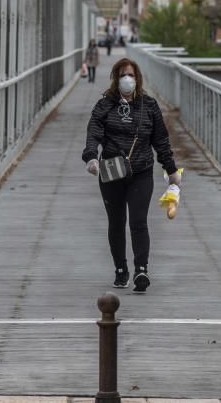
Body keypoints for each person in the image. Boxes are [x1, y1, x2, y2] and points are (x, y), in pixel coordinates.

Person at [82, 59, 181, 293]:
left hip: (141, 171)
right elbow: (93, 131)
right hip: (111, 172)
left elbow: (161, 140)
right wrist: (91, 157)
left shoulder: (149, 106)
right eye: (123, 75)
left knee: (138, 221)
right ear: (116, 78)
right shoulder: (104, 105)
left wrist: (171, 169)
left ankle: (141, 270)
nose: (128, 79)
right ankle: (120, 269)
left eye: (131, 75)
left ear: (138, 78)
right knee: (116, 223)